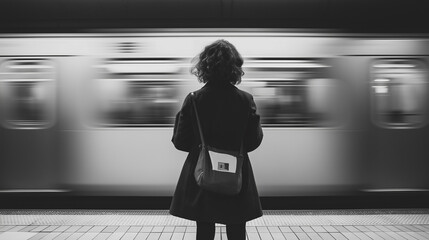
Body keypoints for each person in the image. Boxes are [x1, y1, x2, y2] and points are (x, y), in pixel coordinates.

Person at [169, 39, 264, 240]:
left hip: (203, 173)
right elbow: (253, 141)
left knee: (204, 229)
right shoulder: (246, 100)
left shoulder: (194, 99)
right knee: (237, 229)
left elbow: (180, 142)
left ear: (204, 67)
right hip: (235, 173)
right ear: (236, 68)